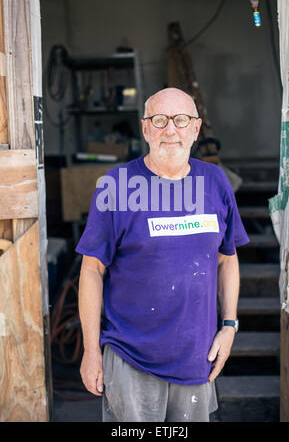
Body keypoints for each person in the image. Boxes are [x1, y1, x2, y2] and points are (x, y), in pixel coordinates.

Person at [75, 87, 249, 422]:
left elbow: (227, 259)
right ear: (145, 128)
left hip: (197, 357)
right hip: (129, 358)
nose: (170, 130)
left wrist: (229, 326)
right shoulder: (117, 185)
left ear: (196, 129)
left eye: (181, 120)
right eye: (159, 120)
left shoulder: (215, 181)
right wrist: (90, 350)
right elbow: (92, 270)